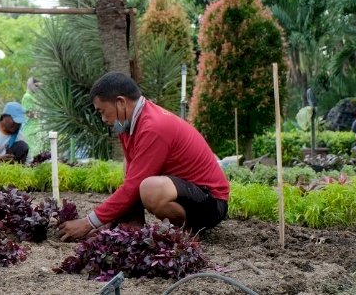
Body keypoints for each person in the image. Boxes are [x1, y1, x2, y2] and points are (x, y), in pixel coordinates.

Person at [59, 72, 230, 241]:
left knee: (151, 188)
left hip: (212, 201)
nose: (103, 118)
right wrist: (112, 221)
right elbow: (132, 177)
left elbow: (134, 186)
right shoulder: (126, 124)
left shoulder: (153, 127)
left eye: (102, 111)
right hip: (188, 192)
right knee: (129, 165)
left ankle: (189, 231)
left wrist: (88, 223)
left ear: (120, 102)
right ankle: (134, 222)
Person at [21, 77, 44, 156]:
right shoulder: (27, 97)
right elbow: (27, 113)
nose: (38, 88)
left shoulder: (34, 96)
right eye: (36, 86)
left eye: (39, 87)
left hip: (37, 128)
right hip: (31, 129)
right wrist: (39, 114)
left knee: (39, 154)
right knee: (33, 154)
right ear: (31, 85)